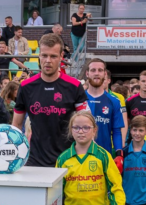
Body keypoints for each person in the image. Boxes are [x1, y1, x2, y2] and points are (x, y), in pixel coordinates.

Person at [12, 33, 89, 167]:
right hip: (35, 161)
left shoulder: (74, 86)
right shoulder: (26, 86)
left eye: (53, 56)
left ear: (61, 57)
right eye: (44, 55)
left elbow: (87, 124)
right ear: (39, 56)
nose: (48, 60)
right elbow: (16, 125)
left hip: (68, 160)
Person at [85, 58, 125, 156]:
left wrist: (119, 153)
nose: (97, 73)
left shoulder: (114, 101)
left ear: (105, 74)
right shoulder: (78, 99)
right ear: (87, 74)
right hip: (81, 156)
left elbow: (116, 131)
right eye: (93, 70)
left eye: (100, 70)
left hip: (104, 155)